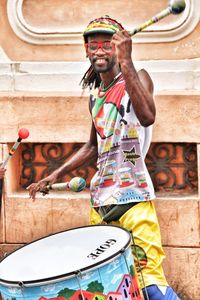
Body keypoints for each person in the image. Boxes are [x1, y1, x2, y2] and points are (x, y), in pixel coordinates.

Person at [27, 16, 180, 300]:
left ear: (119, 47)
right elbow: (92, 146)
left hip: (134, 200)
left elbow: (147, 116)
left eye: (107, 44)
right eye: (93, 45)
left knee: (151, 286)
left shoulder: (138, 76)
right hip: (100, 203)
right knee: (110, 288)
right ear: (86, 51)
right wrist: (53, 175)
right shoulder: (95, 97)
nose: (99, 50)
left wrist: (128, 60)